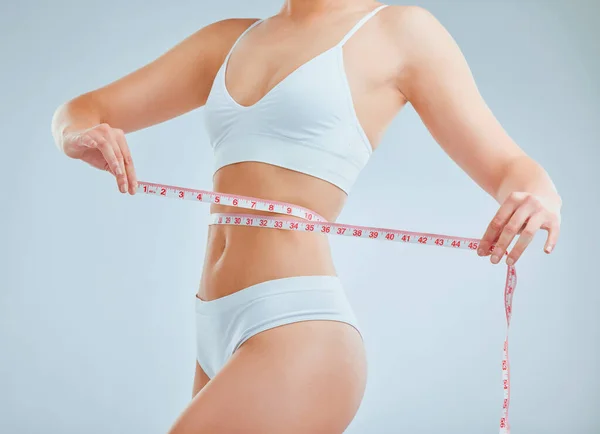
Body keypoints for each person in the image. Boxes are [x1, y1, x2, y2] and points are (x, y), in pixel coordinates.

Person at [51, 1, 562, 432]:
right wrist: (76, 136)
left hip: (297, 327)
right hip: (213, 327)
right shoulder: (227, 40)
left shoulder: (397, 32)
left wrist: (540, 198)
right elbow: (84, 108)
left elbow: (511, 167)